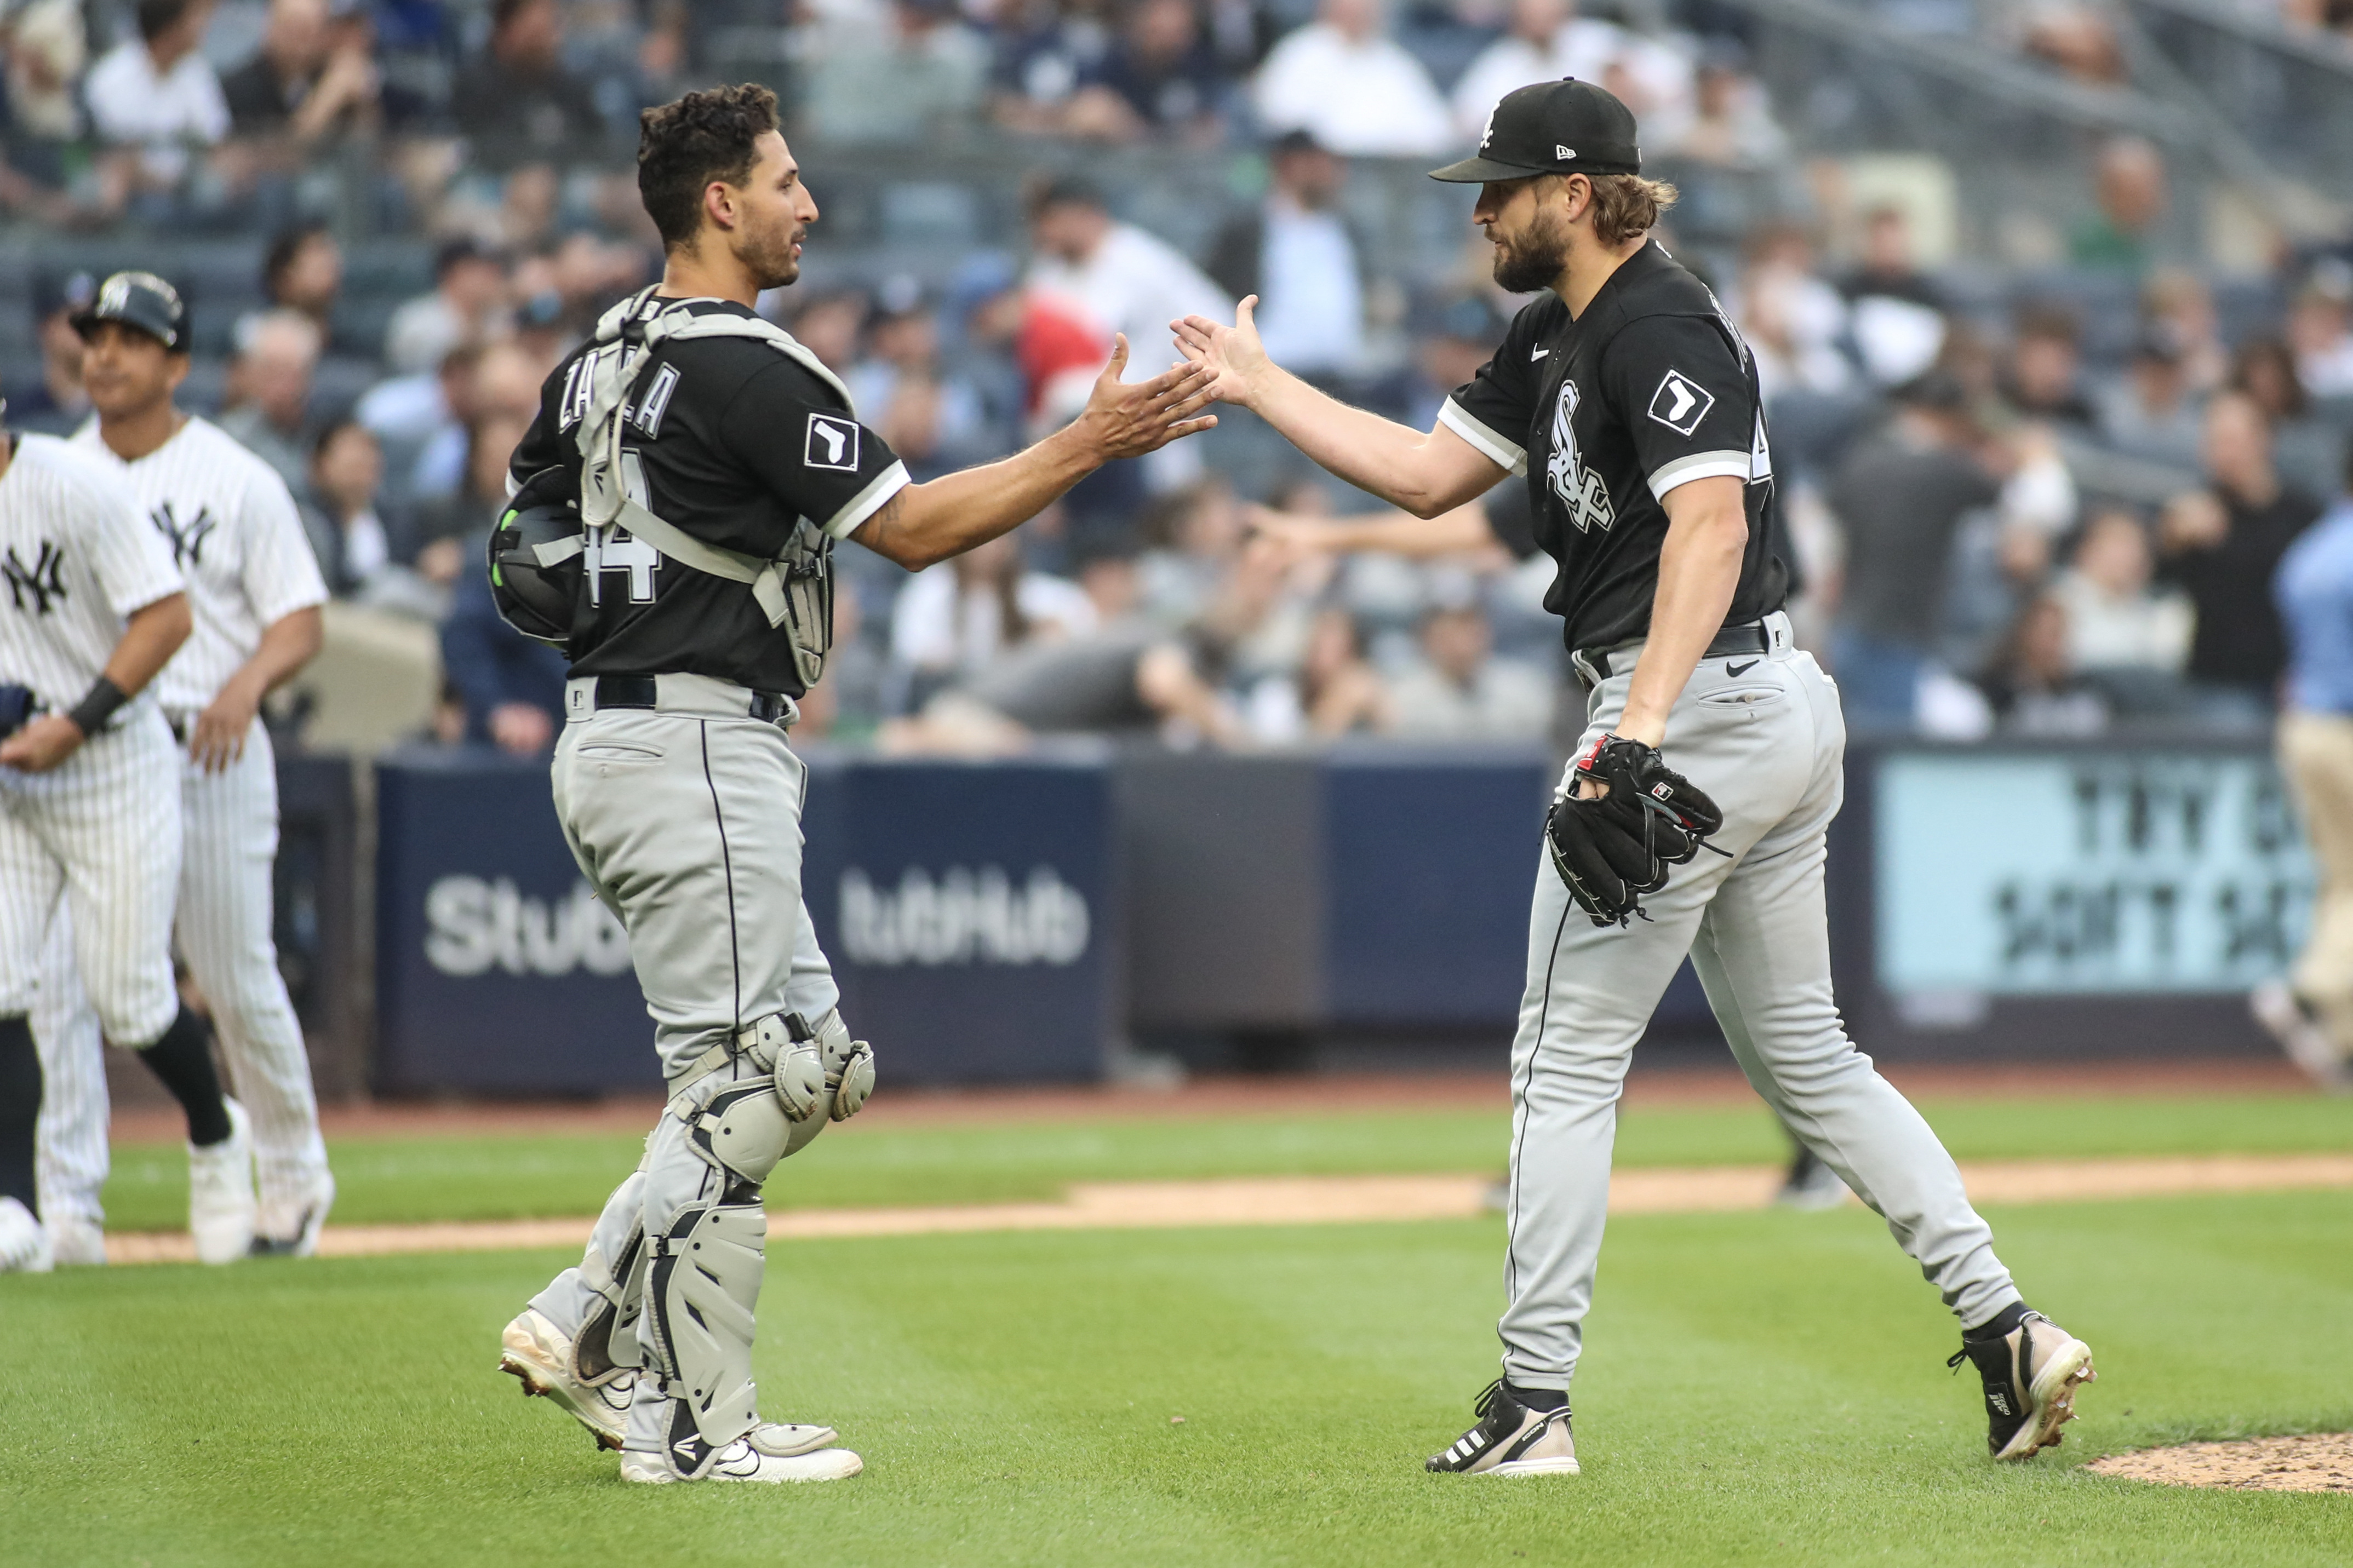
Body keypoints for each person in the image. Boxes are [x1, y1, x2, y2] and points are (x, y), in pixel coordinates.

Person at [1172, 77, 2096, 1474]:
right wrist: (1260, 387)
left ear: (1577, 189)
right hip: (1743, 703)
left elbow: (1709, 528)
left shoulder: (1656, 315)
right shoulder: (1555, 328)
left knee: (1561, 1056)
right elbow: (1427, 478)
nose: (1478, 208)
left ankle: (1531, 1405)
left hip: (1699, 697)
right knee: (1805, 1059)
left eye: (1500, 184)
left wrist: (1636, 730)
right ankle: (2005, 1332)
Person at [492, 83, 1213, 1485]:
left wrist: (627, 605)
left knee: (806, 1063)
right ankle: (692, 1429)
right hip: (695, 739)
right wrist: (1088, 442)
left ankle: (593, 1320)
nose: (805, 204)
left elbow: (518, 553)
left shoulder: (596, 360)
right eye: (783, 180)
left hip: (623, 732)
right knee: (751, 1073)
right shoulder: (747, 365)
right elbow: (921, 530)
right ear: (721, 201)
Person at [31, 272, 335, 1262]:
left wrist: (247, 684)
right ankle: (66, 1205)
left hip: (211, 743)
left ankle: (291, 1183)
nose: (106, 354)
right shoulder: (52, 474)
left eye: (131, 337)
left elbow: (300, 615)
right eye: (96, 336)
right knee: (61, 982)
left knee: (234, 972)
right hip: (99, 751)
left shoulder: (234, 474)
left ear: (179, 362)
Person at [0, 362, 220, 1275]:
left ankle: (215, 1131)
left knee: (129, 996)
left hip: (111, 757)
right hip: (16, 772)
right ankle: (15, 1204)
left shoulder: (69, 485)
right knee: (5, 983)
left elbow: (168, 618)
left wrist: (75, 720)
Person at [2255, 444, 2353, 1089]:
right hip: (2344, 723)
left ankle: (2342, 1041)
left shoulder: (2309, 550)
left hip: (2300, 724)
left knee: (2341, 876)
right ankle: (2308, 994)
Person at [2157, 391, 2320, 714]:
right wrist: (2172, 541)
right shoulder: (2194, 510)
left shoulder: (2303, 514)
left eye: (2231, 440)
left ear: (2263, 441)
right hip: (2217, 682)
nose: (2221, 453)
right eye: (2213, 441)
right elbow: (2159, 578)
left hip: (2290, 679)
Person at [1204, 131, 1367, 384]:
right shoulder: (1248, 231)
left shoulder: (1345, 230)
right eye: (1319, 162)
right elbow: (1212, 291)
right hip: (1271, 372)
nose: (1331, 173)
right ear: (1290, 165)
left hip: (1339, 374)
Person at [1251, 0, 1452, 159]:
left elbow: (1435, 132)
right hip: (1323, 172)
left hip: (1388, 179)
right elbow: (1282, 120)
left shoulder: (1397, 64)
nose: (1358, 12)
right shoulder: (1299, 54)